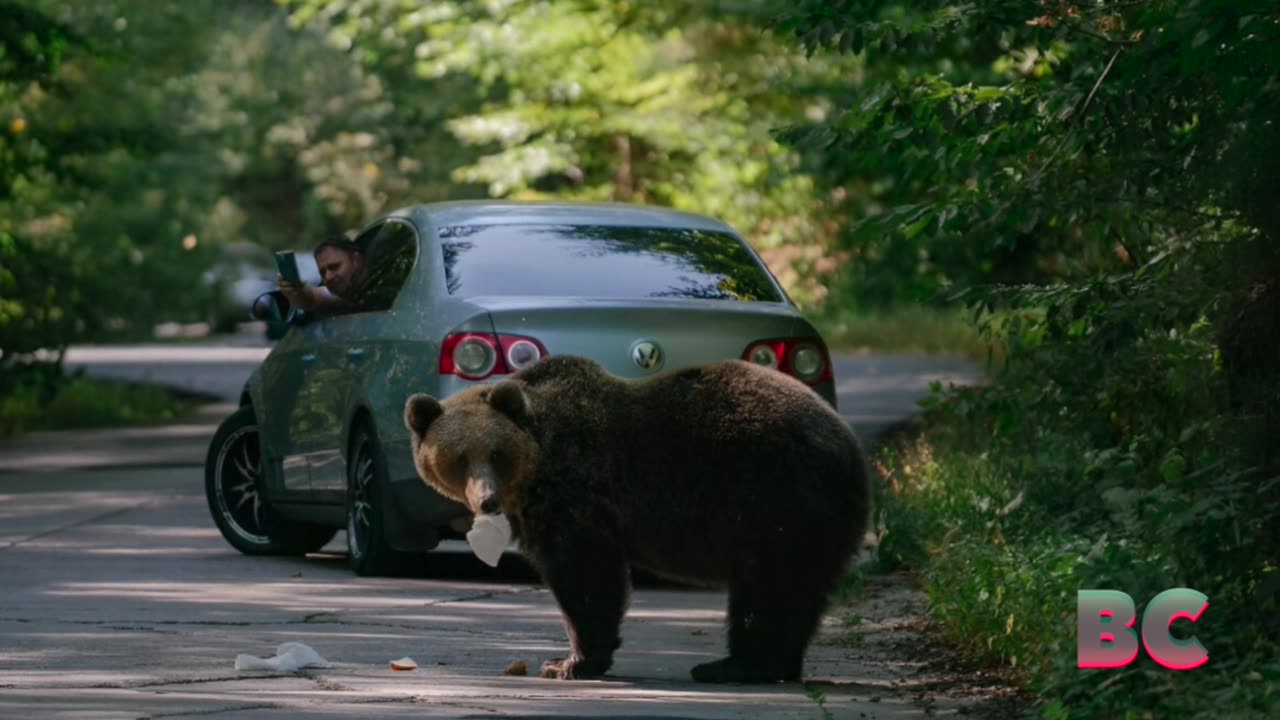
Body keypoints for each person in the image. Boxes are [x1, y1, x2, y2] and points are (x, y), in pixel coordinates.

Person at [277, 235, 367, 316]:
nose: (328, 277)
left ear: (356, 260)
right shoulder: (347, 297)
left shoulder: (376, 286)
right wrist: (297, 291)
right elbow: (315, 297)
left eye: (335, 267)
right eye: (322, 272)